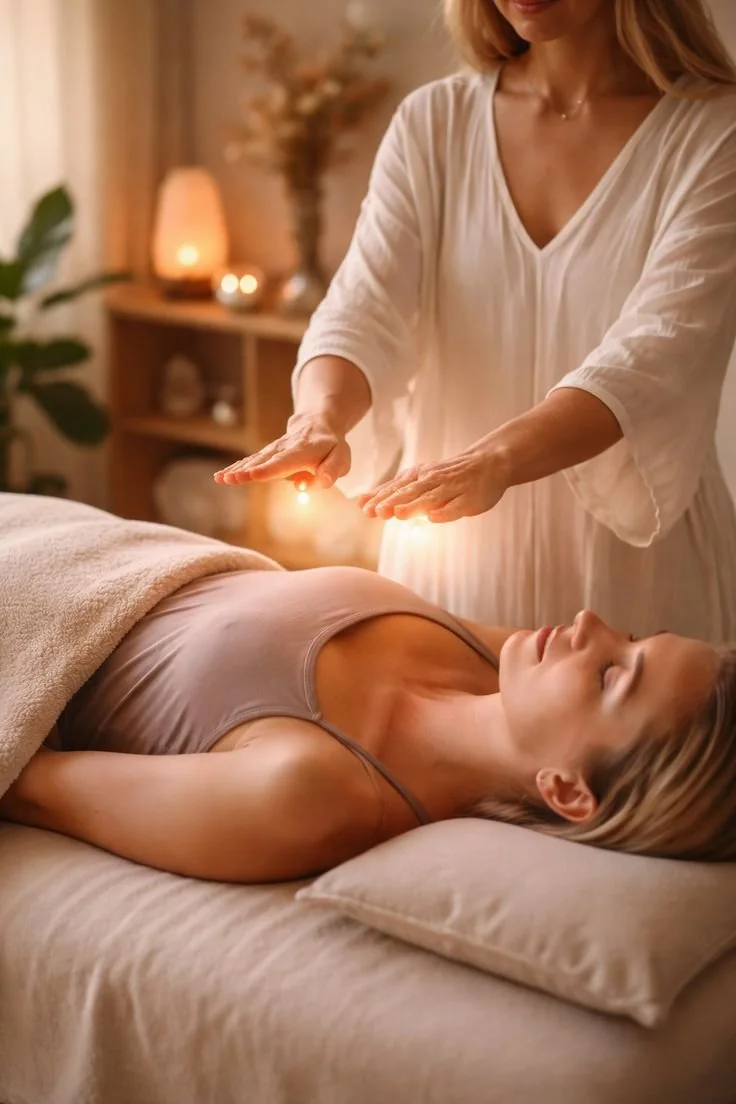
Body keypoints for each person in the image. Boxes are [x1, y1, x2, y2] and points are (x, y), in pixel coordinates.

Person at [215, 0, 736, 643]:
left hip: (636, 577)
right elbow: (362, 304)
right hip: (452, 563)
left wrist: (496, 461)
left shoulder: (717, 130)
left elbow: (657, 353)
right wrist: (318, 420)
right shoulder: (434, 122)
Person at [2, 563, 735, 882]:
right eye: (635, 638)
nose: (591, 622)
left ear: (568, 792)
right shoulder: (503, 664)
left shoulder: (315, 793)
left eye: (614, 674)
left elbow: (32, 785)